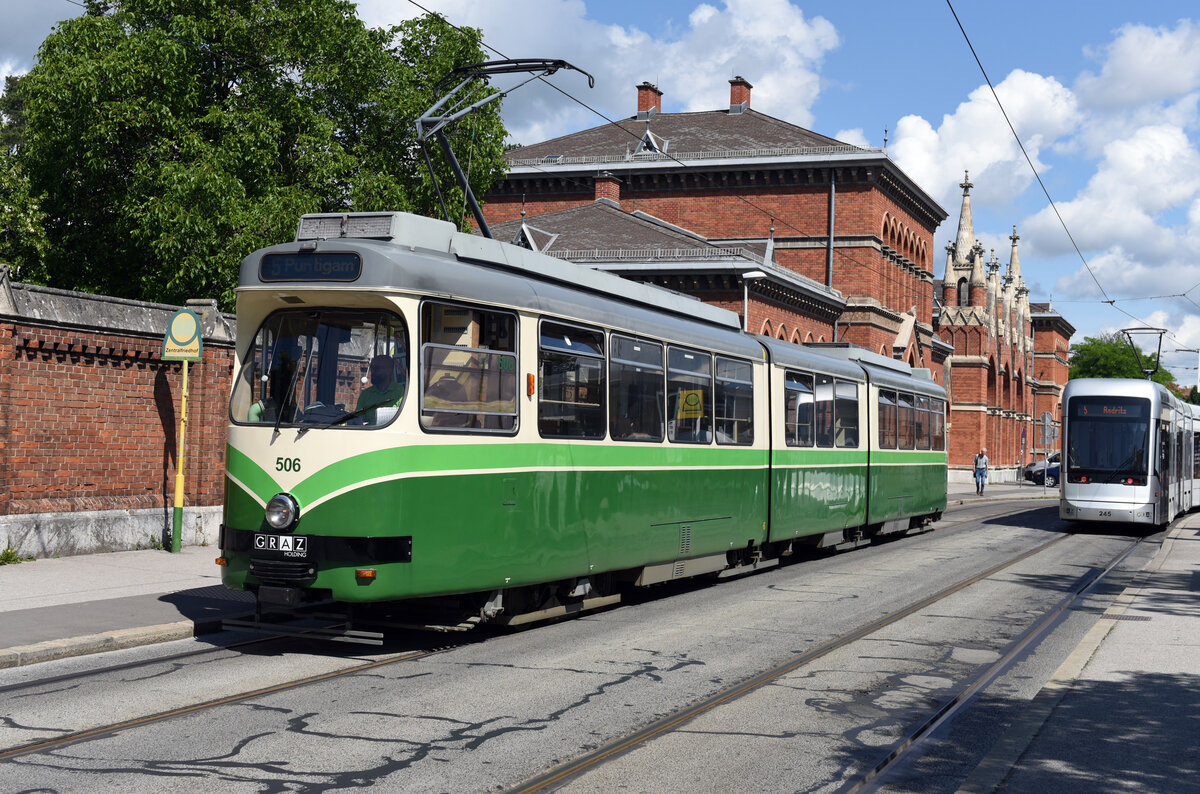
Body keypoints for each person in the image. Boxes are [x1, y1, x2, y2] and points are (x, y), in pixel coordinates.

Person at [357, 354, 405, 425]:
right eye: (371, 368)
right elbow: (357, 420)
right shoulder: (366, 394)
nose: (373, 371)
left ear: (389, 370)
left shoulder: (401, 392)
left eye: (377, 368)